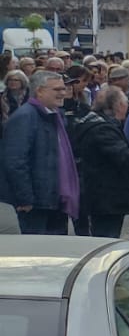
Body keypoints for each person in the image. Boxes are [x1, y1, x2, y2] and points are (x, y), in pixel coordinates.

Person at [1, 70, 80, 234]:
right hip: (36, 203)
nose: (63, 93)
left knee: (57, 254)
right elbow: (15, 162)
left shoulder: (55, 116)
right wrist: (25, 198)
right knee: (38, 254)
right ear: (40, 91)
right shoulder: (25, 117)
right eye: (56, 89)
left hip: (55, 199)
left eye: (63, 88)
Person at [70, 85, 129, 239]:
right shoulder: (102, 129)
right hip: (105, 196)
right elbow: (123, 155)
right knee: (106, 238)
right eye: (125, 104)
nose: (127, 108)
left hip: (103, 194)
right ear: (117, 106)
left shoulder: (93, 122)